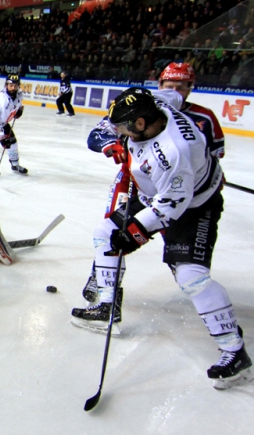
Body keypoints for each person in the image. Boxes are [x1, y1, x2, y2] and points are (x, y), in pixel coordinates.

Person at [71, 87, 251, 390]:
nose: (120, 133)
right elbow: (174, 95)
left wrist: (133, 234)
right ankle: (107, 305)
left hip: (194, 204)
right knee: (104, 234)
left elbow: (171, 206)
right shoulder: (156, 105)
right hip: (155, 192)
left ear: (141, 123)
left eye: (124, 128)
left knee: (191, 276)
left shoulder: (174, 151)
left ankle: (235, 351)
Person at [158, 62, 225, 159]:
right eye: (169, 87)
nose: (174, 91)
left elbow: (216, 152)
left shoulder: (205, 116)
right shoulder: (145, 112)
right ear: (160, 86)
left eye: (180, 88)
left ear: (189, 89)